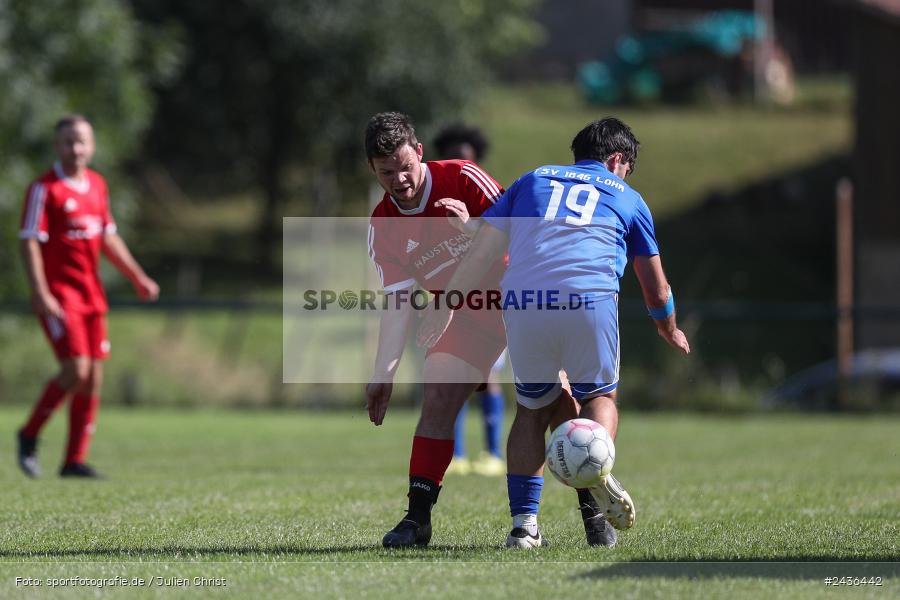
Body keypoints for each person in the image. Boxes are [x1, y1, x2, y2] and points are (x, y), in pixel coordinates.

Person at [418, 117, 691, 548]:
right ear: (617, 159)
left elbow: (483, 250)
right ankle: (597, 472)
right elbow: (656, 289)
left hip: (524, 301)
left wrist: (448, 302)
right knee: (600, 398)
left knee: (532, 410)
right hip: (588, 298)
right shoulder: (629, 198)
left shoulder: (532, 180)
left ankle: (524, 527)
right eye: (627, 168)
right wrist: (668, 327)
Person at [364, 112, 508, 547]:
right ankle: (417, 519)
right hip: (465, 318)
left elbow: (524, 236)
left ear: (420, 153)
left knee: (555, 401)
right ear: (372, 169)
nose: (400, 180)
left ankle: (591, 507)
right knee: (438, 399)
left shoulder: (463, 177)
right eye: (386, 173)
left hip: (518, 302)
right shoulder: (383, 223)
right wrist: (383, 373)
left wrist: (473, 228)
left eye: (405, 167)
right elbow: (398, 305)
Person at [16, 114, 160, 479]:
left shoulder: (97, 185)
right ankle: (29, 434)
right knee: (75, 370)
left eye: (81, 141)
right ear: (57, 146)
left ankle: (73, 461)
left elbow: (108, 237)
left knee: (93, 377)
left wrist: (138, 277)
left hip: (91, 295)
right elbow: (30, 241)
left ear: (92, 146)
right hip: (60, 296)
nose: (75, 148)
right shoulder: (44, 189)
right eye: (68, 141)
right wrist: (40, 291)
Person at [433, 123, 505, 477]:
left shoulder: (485, 196)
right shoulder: (429, 202)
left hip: (489, 300)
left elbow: (502, 240)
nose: (461, 164)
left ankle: (492, 453)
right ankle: (456, 454)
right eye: (453, 157)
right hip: (450, 300)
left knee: (487, 375)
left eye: (467, 159)